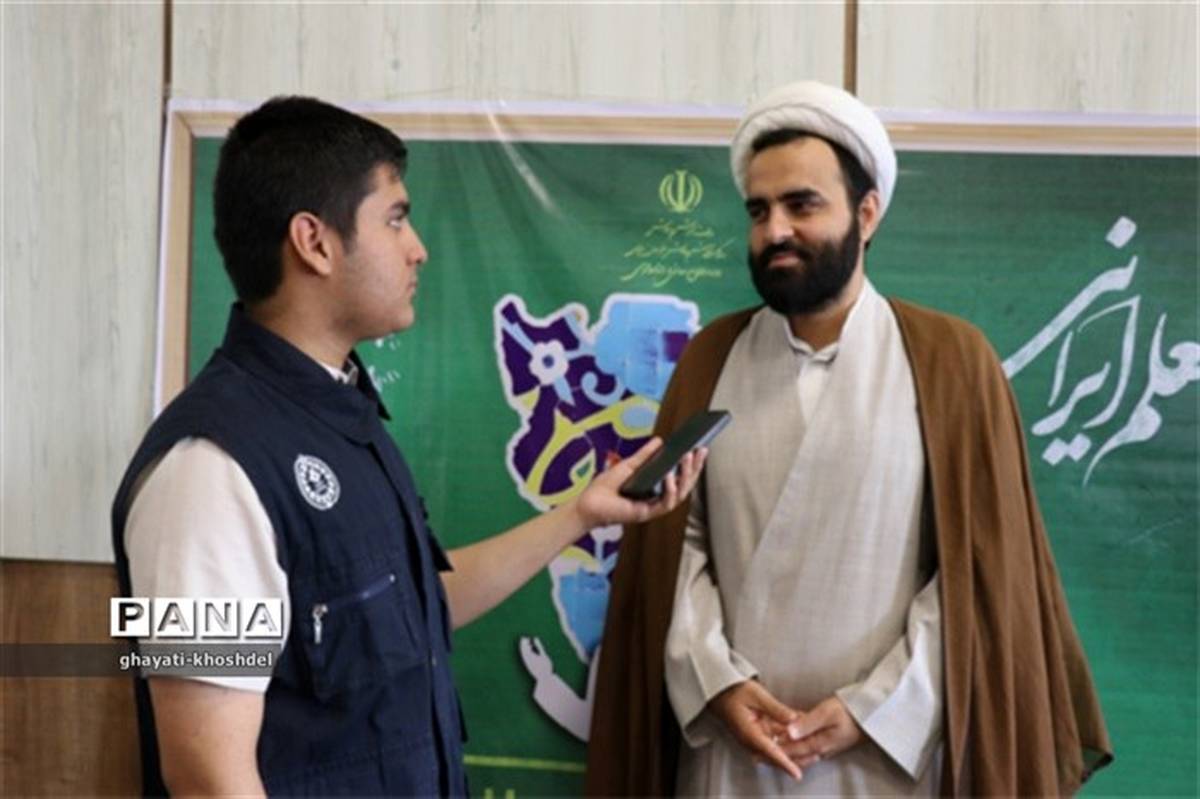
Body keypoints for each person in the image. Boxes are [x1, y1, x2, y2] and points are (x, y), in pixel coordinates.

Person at [110, 96, 704, 797]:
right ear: (314, 242)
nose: (416, 246)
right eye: (395, 218)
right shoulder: (203, 469)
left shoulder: (344, 415)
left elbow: (418, 607)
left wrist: (581, 515)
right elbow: (205, 776)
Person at [586, 80, 1112, 796]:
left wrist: (875, 707)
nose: (775, 230)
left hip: (888, 758)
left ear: (866, 214)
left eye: (802, 205)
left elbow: (980, 574)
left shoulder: (951, 363)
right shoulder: (712, 358)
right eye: (759, 211)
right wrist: (716, 682)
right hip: (732, 758)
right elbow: (674, 543)